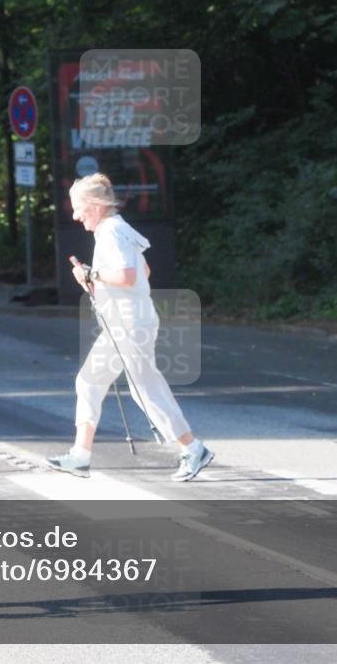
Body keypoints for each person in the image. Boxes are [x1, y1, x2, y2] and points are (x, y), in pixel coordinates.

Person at [46, 173, 214, 482]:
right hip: (126, 322)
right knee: (89, 382)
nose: (75, 215)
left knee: (146, 390)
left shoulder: (110, 232)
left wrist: (92, 275)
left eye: (79, 207)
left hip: (129, 325)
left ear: (95, 205)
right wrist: (93, 278)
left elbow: (127, 276)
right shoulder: (118, 228)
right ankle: (80, 456)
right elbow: (144, 271)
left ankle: (193, 449)